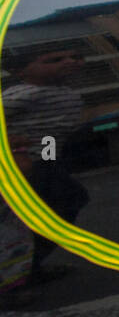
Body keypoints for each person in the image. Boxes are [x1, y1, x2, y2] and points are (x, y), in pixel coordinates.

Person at [1, 46, 89, 283]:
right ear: (21, 71)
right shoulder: (25, 93)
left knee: (65, 203)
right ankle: (18, 273)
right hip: (25, 164)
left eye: (76, 56)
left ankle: (27, 267)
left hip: (47, 160)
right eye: (54, 59)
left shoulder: (64, 92)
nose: (70, 60)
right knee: (55, 207)